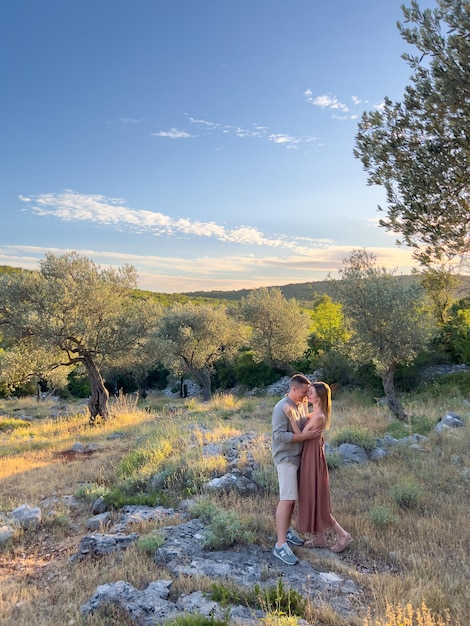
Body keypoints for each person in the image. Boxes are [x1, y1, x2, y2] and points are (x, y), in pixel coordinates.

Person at [285, 381, 352, 553]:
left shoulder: (319, 416)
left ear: (320, 397)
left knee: (317, 498)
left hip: (312, 458)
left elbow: (300, 435)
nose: (308, 395)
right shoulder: (315, 413)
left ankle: (343, 535)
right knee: (312, 495)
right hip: (310, 455)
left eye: (312, 393)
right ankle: (320, 537)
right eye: (308, 392)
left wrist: (291, 418)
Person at [271, 373, 322, 565]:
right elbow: (279, 436)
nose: (306, 397)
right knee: (286, 499)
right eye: (303, 393)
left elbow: (301, 425)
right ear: (293, 389)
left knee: (292, 499)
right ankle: (280, 545)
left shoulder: (300, 405)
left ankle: (286, 531)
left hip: (298, 458)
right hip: (286, 459)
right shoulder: (280, 408)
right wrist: (305, 437)